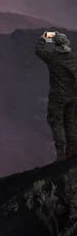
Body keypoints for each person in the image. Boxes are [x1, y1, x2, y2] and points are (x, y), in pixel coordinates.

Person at [34, 31, 77, 161]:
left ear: (56, 44)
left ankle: (61, 153)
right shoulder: (73, 58)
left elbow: (38, 50)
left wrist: (46, 36)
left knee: (57, 123)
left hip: (57, 97)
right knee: (70, 123)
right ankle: (73, 151)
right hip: (73, 97)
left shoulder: (52, 57)